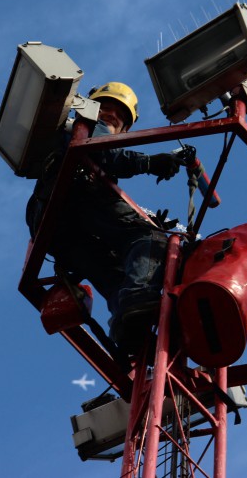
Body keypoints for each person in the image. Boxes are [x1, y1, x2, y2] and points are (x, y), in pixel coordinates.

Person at [25, 81, 184, 350]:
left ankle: (127, 325)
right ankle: (136, 301)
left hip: (53, 226)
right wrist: (151, 162)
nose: (111, 115)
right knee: (149, 237)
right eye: (107, 108)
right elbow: (108, 152)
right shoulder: (86, 121)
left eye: (120, 116)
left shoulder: (67, 135)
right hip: (77, 195)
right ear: (93, 107)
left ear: (126, 128)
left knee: (114, 273)